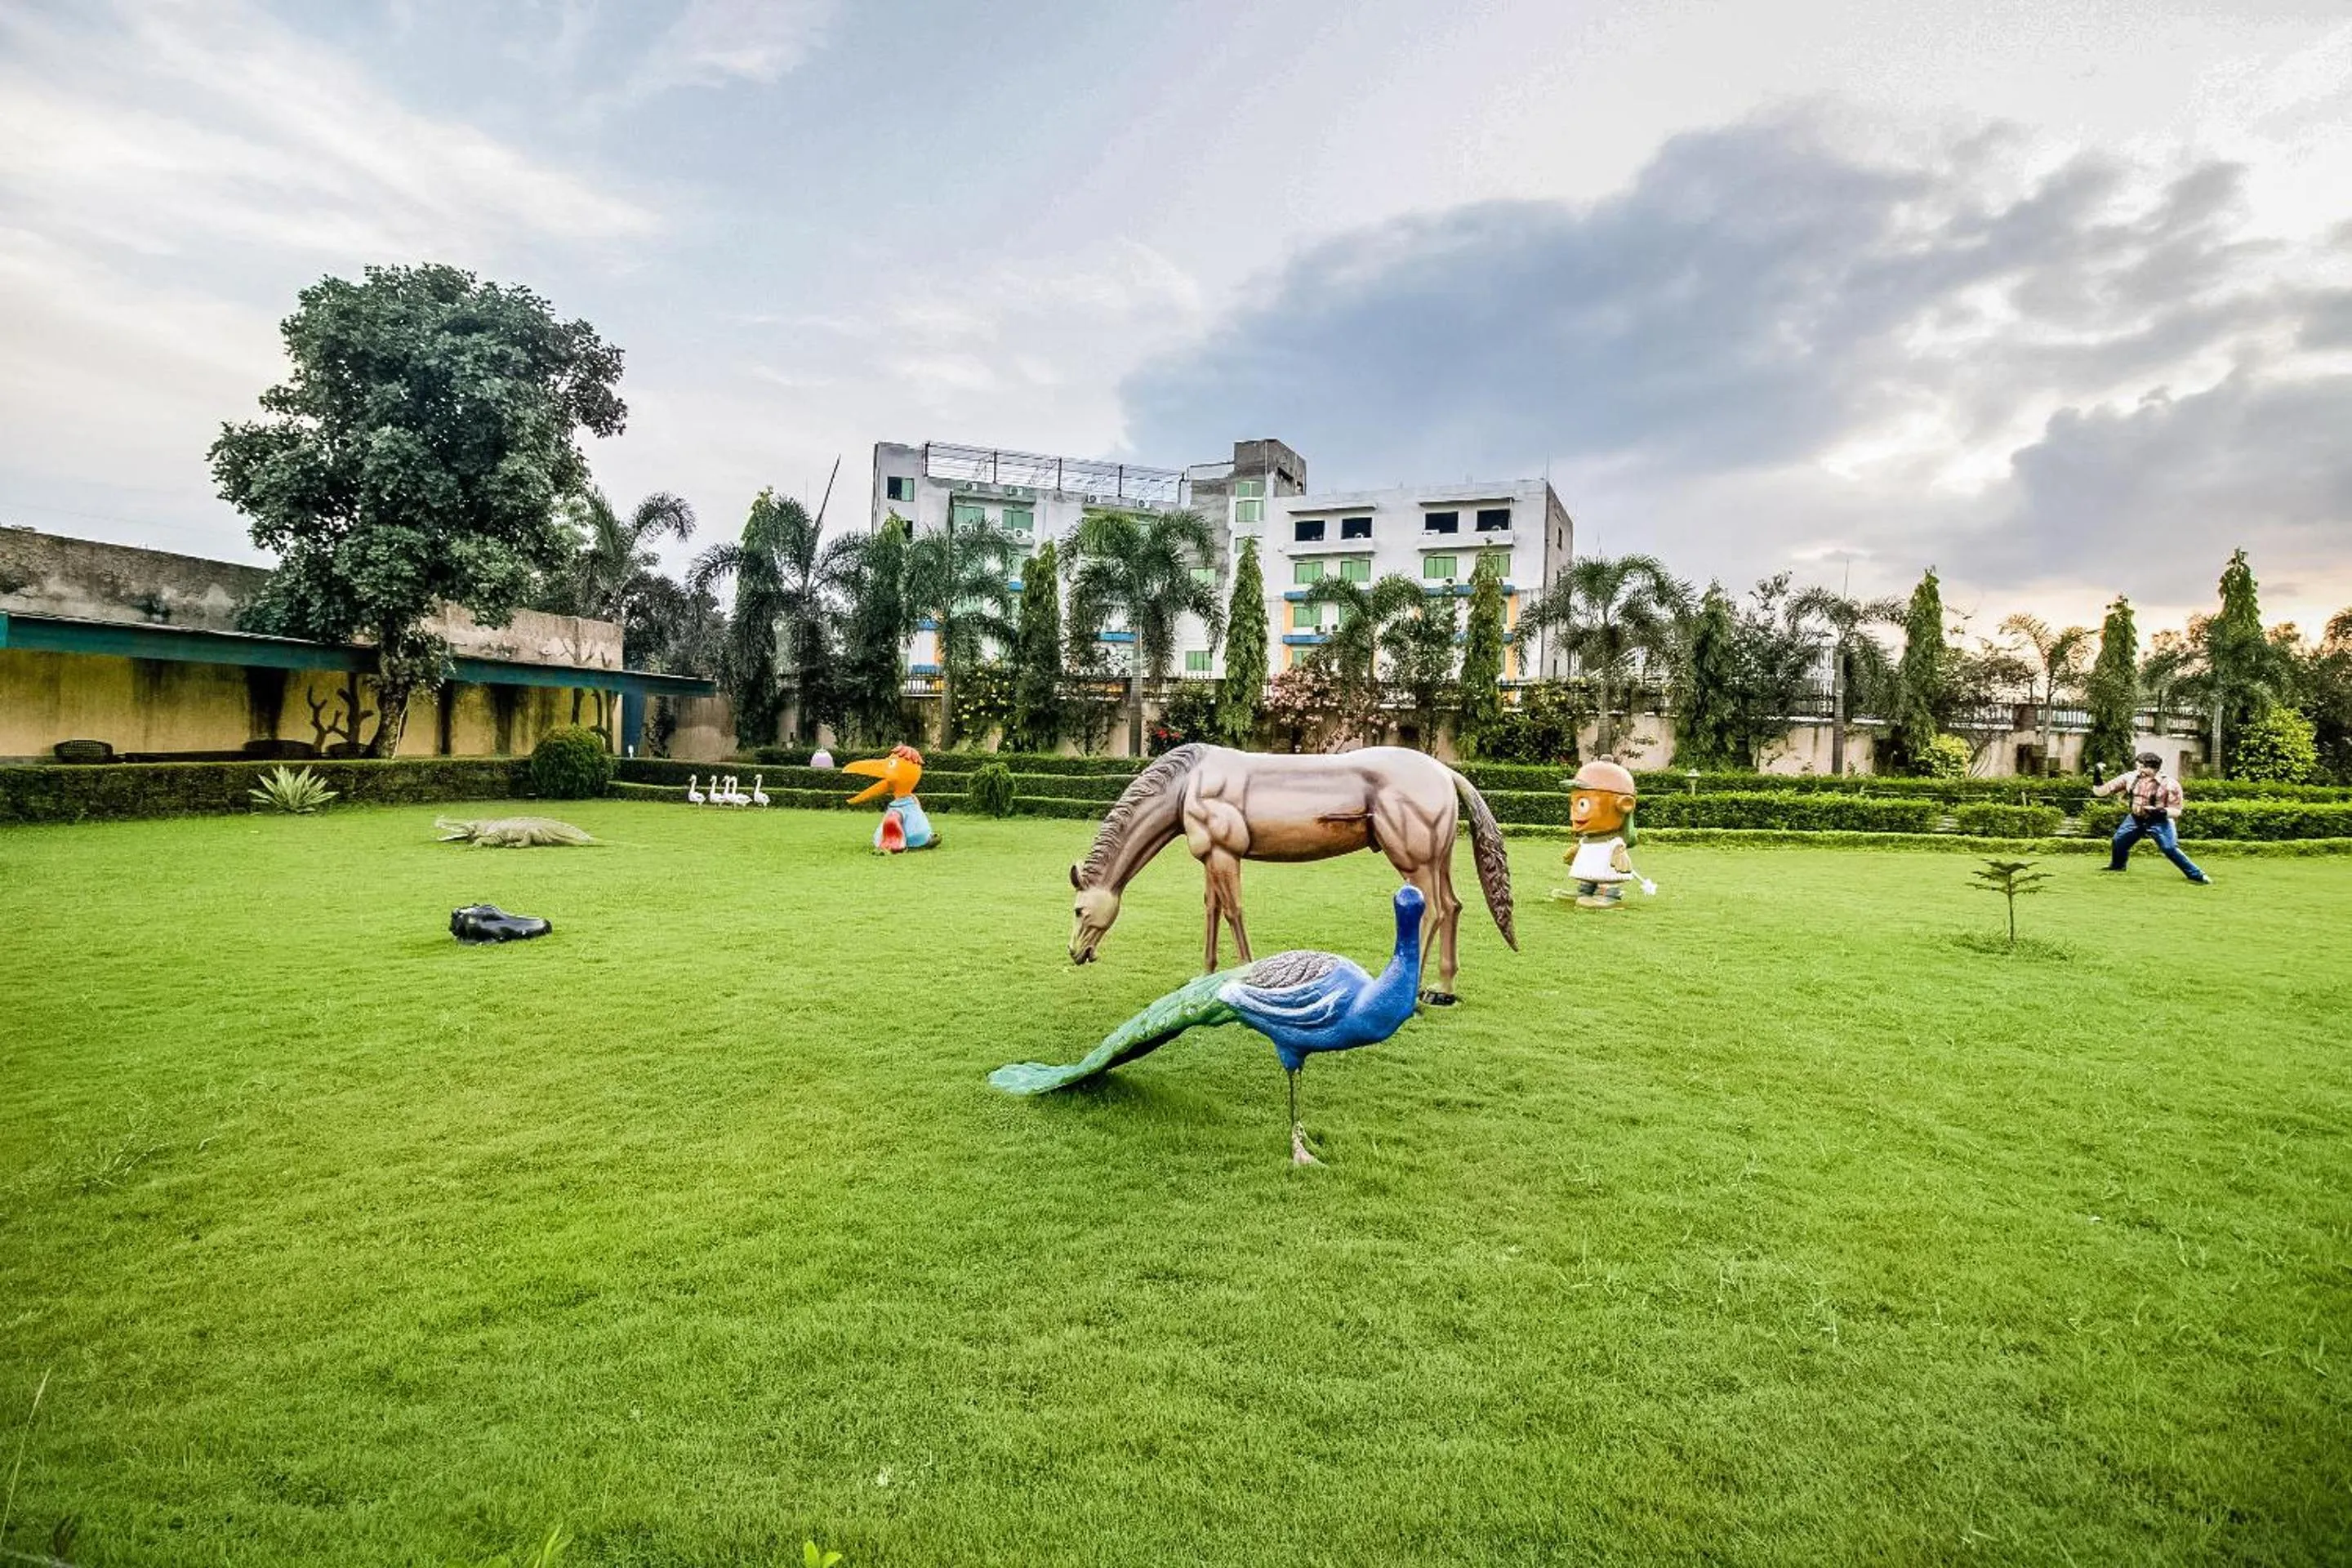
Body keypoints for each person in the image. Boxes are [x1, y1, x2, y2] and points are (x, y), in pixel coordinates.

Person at [2092, 751, 2211, 884]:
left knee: (2169, 848)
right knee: (2119, 841)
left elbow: (2177, 811)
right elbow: (2100, 792)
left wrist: (2161, 812)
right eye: (2138, 766)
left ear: (2153, 768)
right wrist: (2097, 775)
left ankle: (2197, 875)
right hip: (2135, 819)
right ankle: (2117, 866)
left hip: (2160, 821)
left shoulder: (2170, 784)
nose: (2138, 770)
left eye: (2142, 767)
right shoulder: (2130, 778)